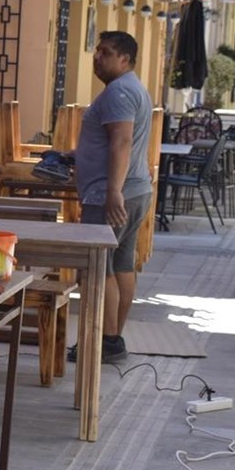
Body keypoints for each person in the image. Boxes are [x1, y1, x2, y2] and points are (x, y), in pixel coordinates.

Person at [65, 31, 153, 365]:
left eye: (105, 52)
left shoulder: (118, 92)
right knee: (120, 264)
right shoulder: (132, 87)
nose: (97, 58)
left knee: (98, 268)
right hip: (134, 190)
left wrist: (113, 191)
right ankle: (113, 339)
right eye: (97, 51)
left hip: (111, 194)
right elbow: (112, 141)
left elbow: (122, 141)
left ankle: (103, 341)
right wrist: (77, 156)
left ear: (124, 59)